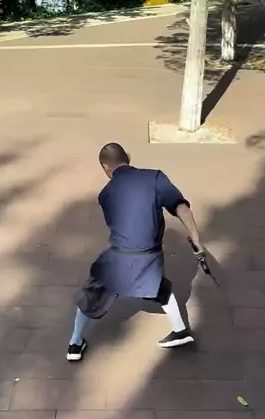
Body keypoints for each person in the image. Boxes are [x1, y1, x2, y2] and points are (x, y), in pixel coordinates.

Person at [67, 142, 205, 361]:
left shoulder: (105, 194)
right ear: (128, 157)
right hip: (150, 258)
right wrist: (196, 240)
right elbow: (182, 207)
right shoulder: (155, 177)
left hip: (120, 259)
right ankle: (180, 330)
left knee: (90, 294)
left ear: (106, 168)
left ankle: (75, 344)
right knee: (159, 284)